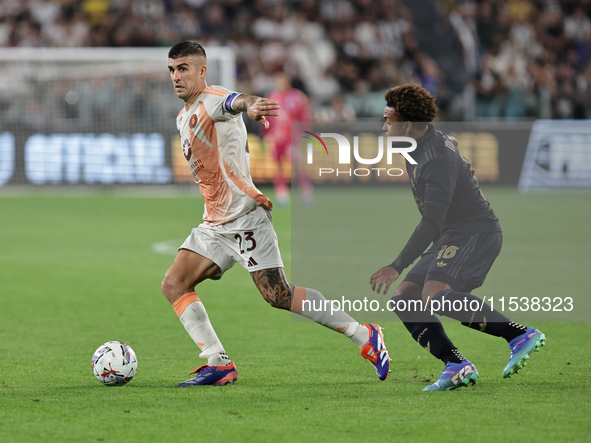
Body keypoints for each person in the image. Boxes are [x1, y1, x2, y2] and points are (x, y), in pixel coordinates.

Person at [162, 41, 390, 386]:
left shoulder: (213, 100)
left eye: (183, 68)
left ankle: (365, 335)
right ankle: (217, 362)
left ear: (201, 71)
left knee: (278, 295)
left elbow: (236, 101)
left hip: (245, 217)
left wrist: (251, 104)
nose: (176, 76)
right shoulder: (183, 115)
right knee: (174, 283)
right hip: (214, 223)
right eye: (172, 70)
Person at [370, 84, 545, 391]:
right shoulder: (417, 144)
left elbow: (432, 222)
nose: (384, 127)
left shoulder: (435, 158)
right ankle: (456, 365)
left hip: (475, 232)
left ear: (408, 125)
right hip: (453, 233)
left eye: (389, 120)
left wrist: (396, 264)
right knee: (405, 299)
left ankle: (518, 334)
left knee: (435, 295)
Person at [265, 72, 314, 207]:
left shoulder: (297, 97)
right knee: (277, 167)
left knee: (298, 166)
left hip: (292, 138)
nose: (279, 84)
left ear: (288, 82)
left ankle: (306, 194)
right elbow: (267, 119)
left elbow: (303, 117)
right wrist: (267, 134)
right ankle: (282, 196)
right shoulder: (272, 97)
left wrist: (304, 134)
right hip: (276, 138)